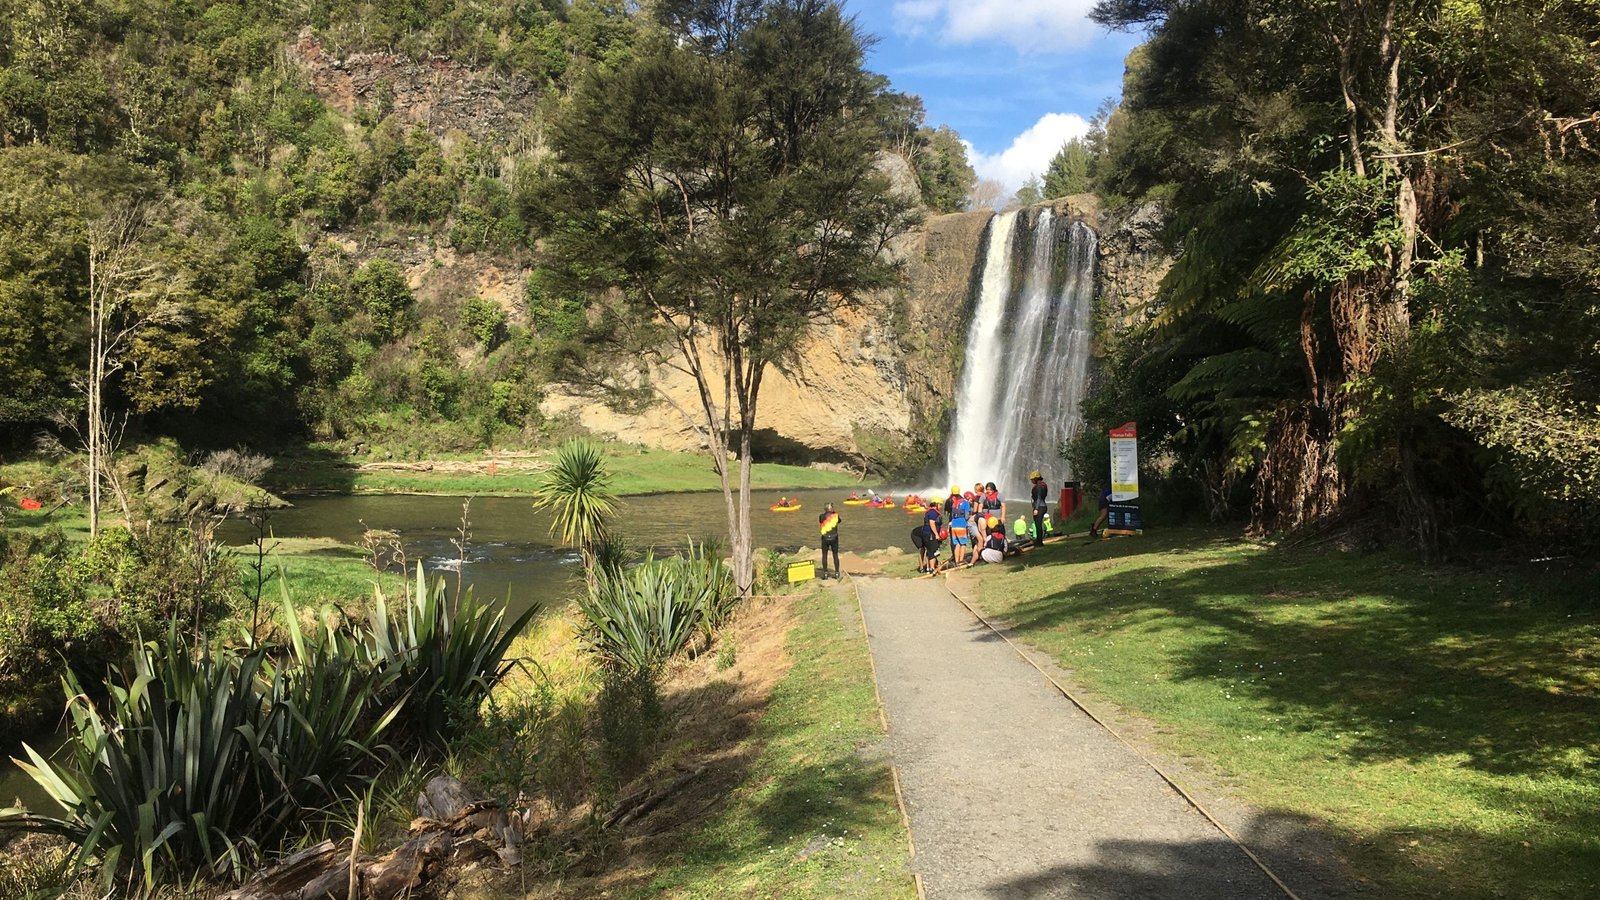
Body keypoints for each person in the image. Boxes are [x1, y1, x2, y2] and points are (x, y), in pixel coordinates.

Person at [819, 502, 841, 579]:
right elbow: (839, 521)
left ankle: (825, 573)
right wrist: (834, 512)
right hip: (834, 538)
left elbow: (821, 521)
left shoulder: (821, 516)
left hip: (825, 538)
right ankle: (837, 573)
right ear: (831, 508)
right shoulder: (836, 516)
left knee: (824, 555)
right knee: (835, 555)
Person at [1029, 471, 1050, 544]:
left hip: (1039, 507)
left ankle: (1039, 542)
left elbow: (1038, 498)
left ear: (1036, 478)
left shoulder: (1038, 486)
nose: (1031, 481)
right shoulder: (1043, 485)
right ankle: (1039, 540)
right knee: (1038, 524)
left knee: (1038, 525)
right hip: (1043, 506)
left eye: (1032, 479)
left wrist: (1036, 509)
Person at [948, 502, 971, 566]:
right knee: (963, 544)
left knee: (957, 544)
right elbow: (966, 516)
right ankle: (961, 561)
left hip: (954, 525)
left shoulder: (954, 503)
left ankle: (956, 561)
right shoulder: (965, 503)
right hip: (961, 525)